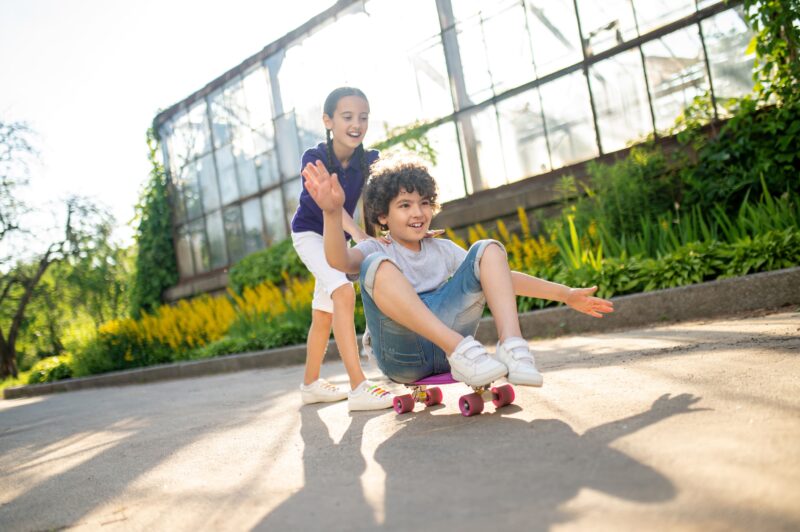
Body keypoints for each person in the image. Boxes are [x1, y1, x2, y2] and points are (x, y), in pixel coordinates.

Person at [301, 156, 615, 386]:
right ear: (383, 216)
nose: (418, 212)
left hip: (456, 353)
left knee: (488, 250)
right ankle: (460, 349)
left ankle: (512, 348)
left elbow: (500, 279)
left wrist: (566, 294)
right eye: (405, 205)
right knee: (375, 266)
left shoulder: (442, 249)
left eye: (424, 203)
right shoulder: (377, 250)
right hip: (402, 355)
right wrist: (331, 212)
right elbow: (339, 261)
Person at [290, 87, 393, 411]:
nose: (356, 124)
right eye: (347, 117)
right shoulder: (314, 158)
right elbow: (332, 208)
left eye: (363, 117)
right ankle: (358, 385)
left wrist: (399, 231)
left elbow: (383, 200)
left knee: (323, 314)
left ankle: (310, 386)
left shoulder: (370, 160)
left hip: (337, 238)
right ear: (328, 120)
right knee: (343, 293)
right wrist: (361, 235)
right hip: (310, 233)